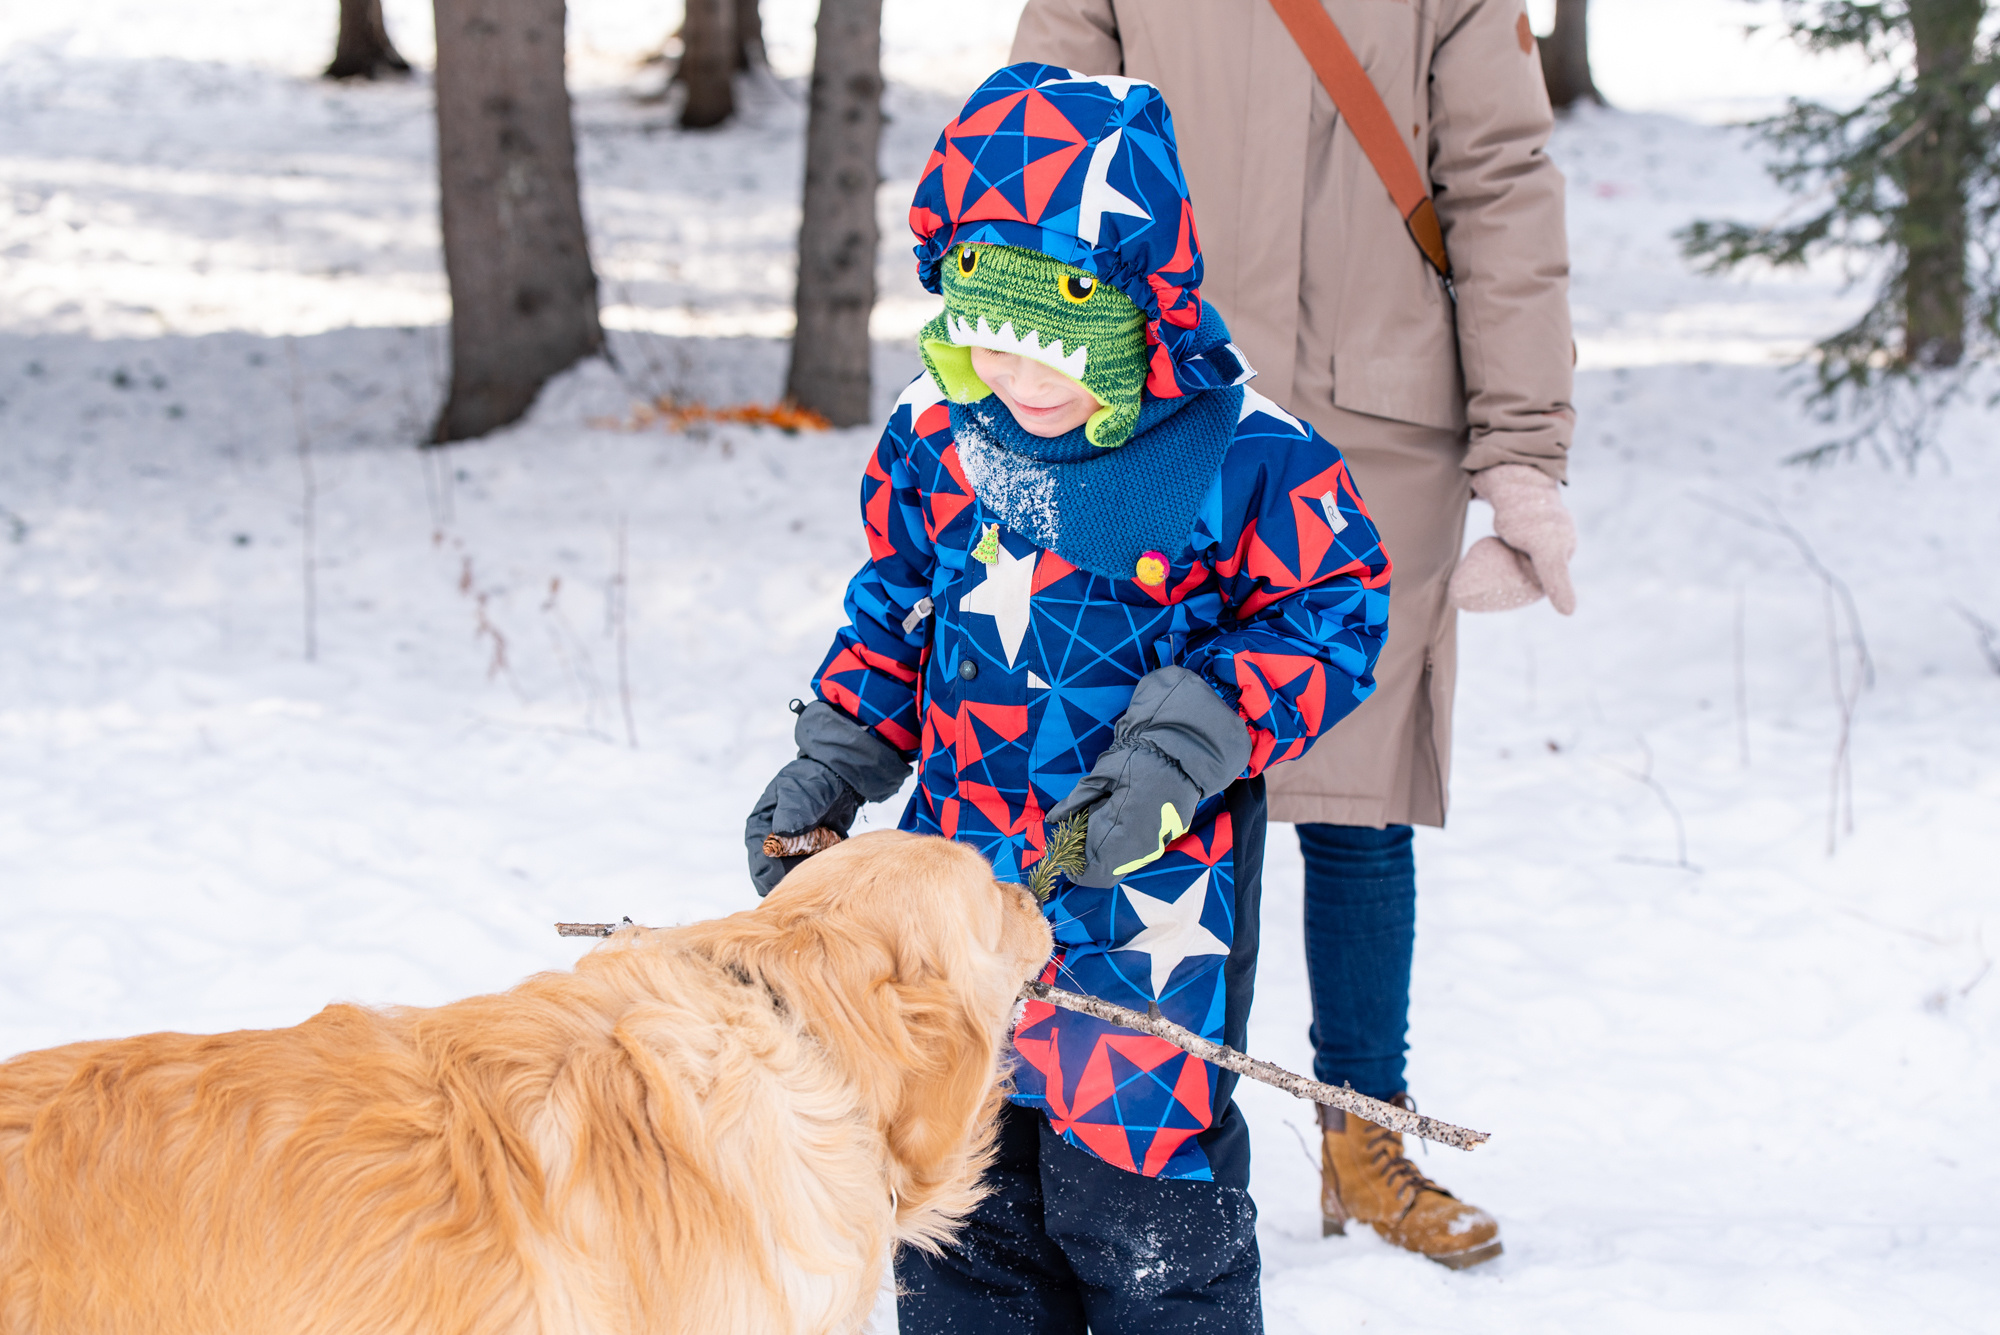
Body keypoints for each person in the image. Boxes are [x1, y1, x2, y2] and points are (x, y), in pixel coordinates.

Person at [744, 65, 1390, 1332]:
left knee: (1146, 1229)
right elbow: (895, 610)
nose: (1018, 382)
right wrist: (835, 757)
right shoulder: (944, 435)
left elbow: (1330, 614)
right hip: (953, 932)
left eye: (1062, 348)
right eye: (986, 332)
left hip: (1147, 925)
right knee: (961, 1218)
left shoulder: (1245, 457)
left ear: (1149, 302)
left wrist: (1187, 740)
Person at [1012, 0, 1578, 1270]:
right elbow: (1030, 156)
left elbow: (1499, 189)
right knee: (1130, 794)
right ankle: (1101, 1137)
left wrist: (1523, 451)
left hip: (1368, 430)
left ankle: (1359, 1138)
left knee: (1359, 811)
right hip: (1148, 422)